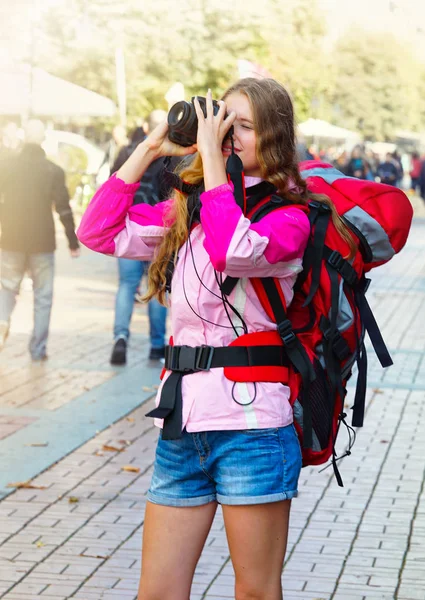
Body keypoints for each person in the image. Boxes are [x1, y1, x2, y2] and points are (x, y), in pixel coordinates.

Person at [78, 78, 355, 600]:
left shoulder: (291, 218)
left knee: (253, 592)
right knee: (157, 592)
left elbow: (235, 252)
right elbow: (98, 232)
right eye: (223, 120)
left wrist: (210, 166)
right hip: (182, 423)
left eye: (243, 126)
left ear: (274, 137)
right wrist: (151, 146)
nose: (226, 134)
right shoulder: (192, 214)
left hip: (252, 430)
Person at [0, 120, 80, 359]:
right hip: (42, 240)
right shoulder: (53, 171)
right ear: (43, 139)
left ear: (23, 138)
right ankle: (38, 349)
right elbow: (64, 208)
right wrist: (72, 242)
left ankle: (2, 320)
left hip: (11, 238)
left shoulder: (7, 166)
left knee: (6, 288)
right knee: (43, 296)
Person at [109, 116, 168, 365]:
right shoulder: (170, 154)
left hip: (127, 227)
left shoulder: (127, 151)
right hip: (158, 231)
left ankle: (120, 337)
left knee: (126, 285)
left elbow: (112, 184)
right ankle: (156, 345)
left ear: (145, 127)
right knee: (157, 285)